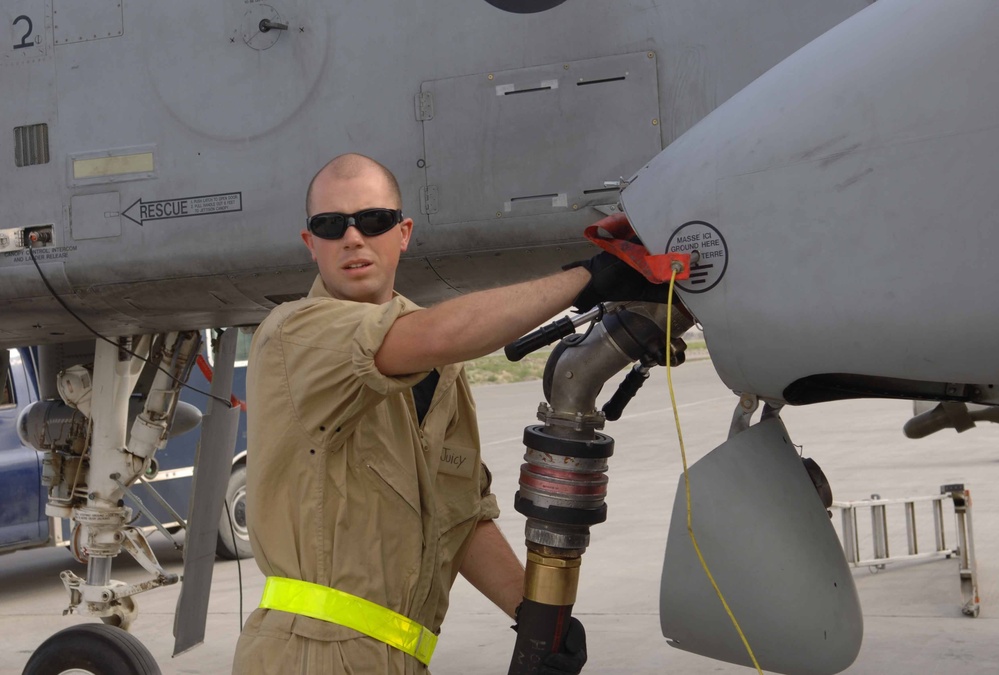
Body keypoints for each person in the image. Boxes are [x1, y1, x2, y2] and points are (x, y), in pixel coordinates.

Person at [233, 153, 663, 674]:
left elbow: (459, 514)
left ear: (403, 232)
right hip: (306, 657)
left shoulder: (439, 367)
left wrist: (531, 617)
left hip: (401, 657)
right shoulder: (294, 332)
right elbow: (431, 335)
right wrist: (587, 279)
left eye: (373, 221)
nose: (352, 238)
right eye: (330, 225)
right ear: (311, 244)